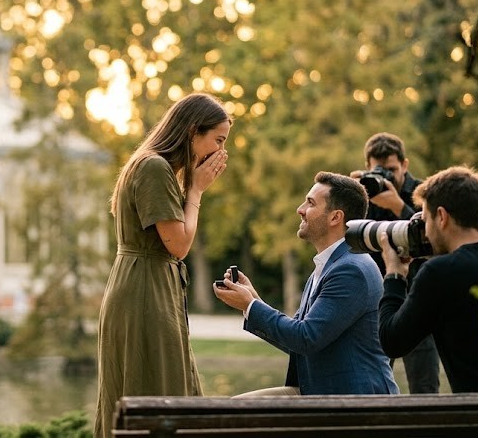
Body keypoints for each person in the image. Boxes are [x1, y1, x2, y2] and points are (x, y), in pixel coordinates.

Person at [94, 93, 231, 438]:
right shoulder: (154, 167)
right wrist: (196, 191)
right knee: (152, 389)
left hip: (148, 285)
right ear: (191, 132)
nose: (219, 152)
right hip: (144, 292)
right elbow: (180, 245)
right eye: (217, 140)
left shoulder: (155, 167)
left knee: (162, 385)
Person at [214, 171, 398, 396]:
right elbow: (299, 339)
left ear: (335, 217)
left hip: (356, 400)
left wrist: (251, 306)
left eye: (310, 203)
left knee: (234, 413)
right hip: (323, 392)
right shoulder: (331, 263)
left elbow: (306, 338)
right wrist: (253, 300)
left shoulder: (351, 270)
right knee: (235, 408)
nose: (300, 209)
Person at [377, 165, 478, 393]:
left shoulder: (438, 273)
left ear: (441, 216)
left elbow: (392, 341)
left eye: (426, 220)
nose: (426, 232)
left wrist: (394, 274)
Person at [350, 132, 440, 394]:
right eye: (379, 170)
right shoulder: (365, 194)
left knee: (425, 389)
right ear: (367, 167)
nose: (386, 176)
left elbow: (436, 241)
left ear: (405, 165)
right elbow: (349, 235)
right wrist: (353, 195)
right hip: (378, 300)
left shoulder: (425, 194)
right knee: (372, 384)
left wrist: (400, 206)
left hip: (418, 299)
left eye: (391, 170)